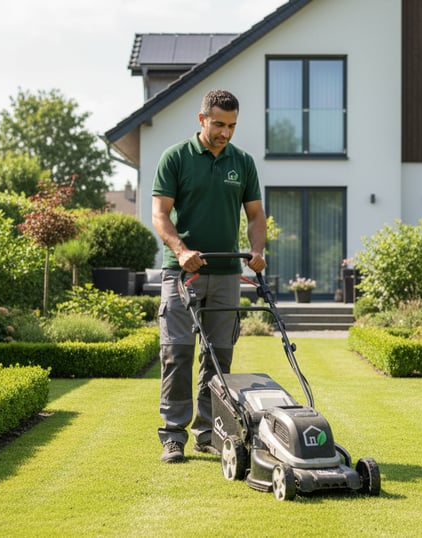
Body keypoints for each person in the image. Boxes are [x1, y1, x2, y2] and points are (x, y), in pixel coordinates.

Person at [151, 89, 267, 463]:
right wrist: (181, 251)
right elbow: (160, 215)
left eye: (232, 126)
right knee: (177, 353)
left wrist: (258, 251)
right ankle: (173, 436)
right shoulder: (176, 158)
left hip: (226, 273)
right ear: (201, 120)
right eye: (218, 124)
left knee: (219, 358)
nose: (225, 133)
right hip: (182, 274)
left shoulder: (242, 163)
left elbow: (255, 216)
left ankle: (207, 433)